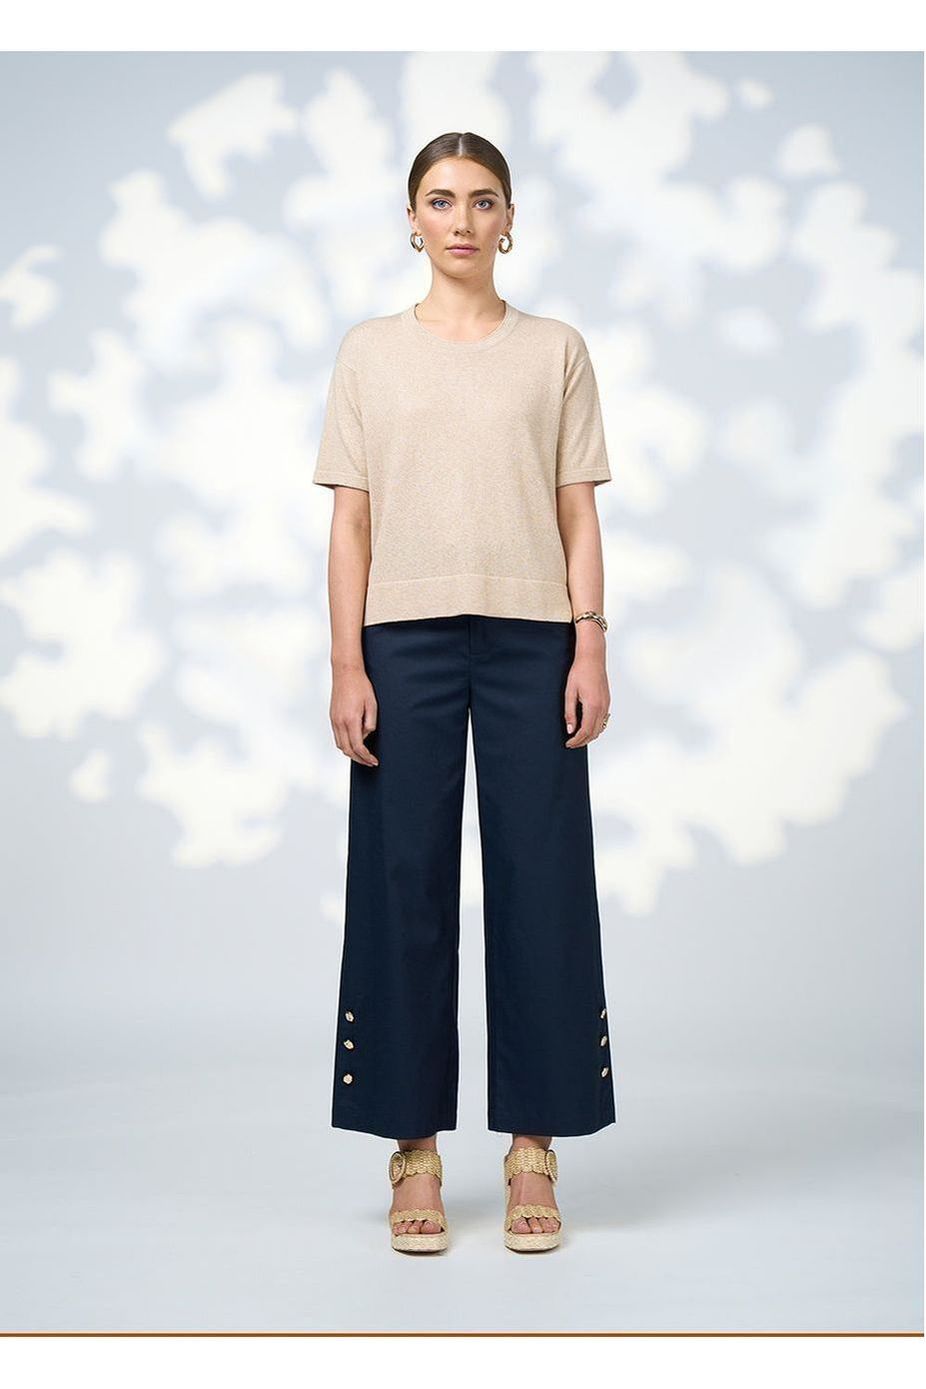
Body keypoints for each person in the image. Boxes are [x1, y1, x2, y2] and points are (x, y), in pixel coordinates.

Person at [313, 131, 616, 1254]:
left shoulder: (555, 350)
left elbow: (578, 511)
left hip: (536, 637)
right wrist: (346, 663)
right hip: (402, 641)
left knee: (543, 880)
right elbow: (350, 522)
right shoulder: (368, 353)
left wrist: (589, 645)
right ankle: (414, 1152)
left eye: (482, 201)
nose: (461, 220)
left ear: (509, 220)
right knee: (403, 883)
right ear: (411, 220)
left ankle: (534, 1147)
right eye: (440, 201)